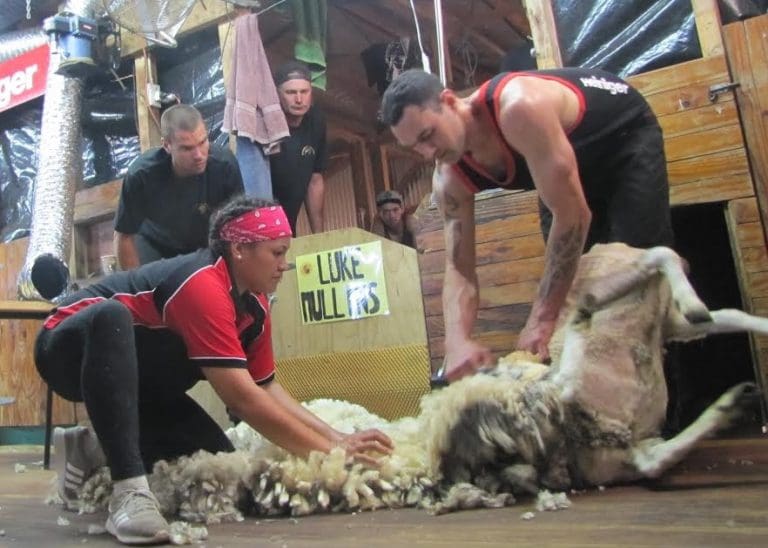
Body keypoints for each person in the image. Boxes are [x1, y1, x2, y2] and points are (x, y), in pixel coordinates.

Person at [36, 195, 393, 545]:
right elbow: (242, 399)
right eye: (277, 252)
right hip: (67, 346)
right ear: (239, 250)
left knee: (218, 462)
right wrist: (330, 459)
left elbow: (265, 387)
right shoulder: (203, 282)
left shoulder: (254, 306)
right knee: (112, 316)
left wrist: (337, 439)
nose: (285, 264)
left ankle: (91, 447)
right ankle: (129, 493)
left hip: (142, 381)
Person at [381, 68, 673, 381]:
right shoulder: (448, 176)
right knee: (571, 290)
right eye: (415, 147)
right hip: (560, 168)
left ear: (450, 101)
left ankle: (677, 414)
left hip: (622, 136)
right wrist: (456, 341)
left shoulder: (518, 107)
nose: (428, 153)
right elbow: (459, 267)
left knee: (637, 277)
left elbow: (573, 216)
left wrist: (541, 318)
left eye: (428, 135)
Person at [114, 104, 245, 269]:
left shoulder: (225, 165)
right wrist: (135, 289)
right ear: (167, 145)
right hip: (154, 245)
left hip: (203, 245)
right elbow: (124, 236)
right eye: (187, 148)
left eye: (203, 142)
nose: (199, 155)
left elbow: (239, 224)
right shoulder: (141, 174)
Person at [269, 61, 327, 235]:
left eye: (304, 91)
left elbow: (315, 179)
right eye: (291, 92)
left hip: (289, 222)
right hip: (265, 219)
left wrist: (319, 236)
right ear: (277, 94)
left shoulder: (316, 121)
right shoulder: (265, 124)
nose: (299, 99)